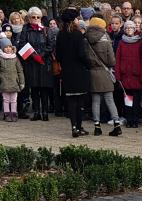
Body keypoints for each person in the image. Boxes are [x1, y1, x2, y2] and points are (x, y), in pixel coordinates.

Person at [56, 8, 91, 137]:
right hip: (79, 71)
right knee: (80, 101)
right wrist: (88, 64)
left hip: (67, 71)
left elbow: (58, 55)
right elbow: (81, 54)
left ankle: (74, 127)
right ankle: (79, 126)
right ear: (73, 20)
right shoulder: (77, 35)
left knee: (71, 101)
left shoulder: (61, 34)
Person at [86, 15, 123, 135]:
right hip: (105, 72)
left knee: (95, 100)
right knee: (109, 100)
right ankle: (117, 125)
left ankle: (97, 127)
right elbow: (112, 61)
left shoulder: (86, 39)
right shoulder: (106, 39)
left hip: (93, 72)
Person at [18, 6, 55, 121]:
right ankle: (37, 112)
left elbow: (51, 45)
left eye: (38, 17)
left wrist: (42, 55)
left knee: (44, 88)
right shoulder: (25, 29)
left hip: (44, 62)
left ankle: (45, 112)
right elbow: (22, 44)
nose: (35, 19)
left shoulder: (46, 30)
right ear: (29, 18)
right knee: (34, 88)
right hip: (31, 63)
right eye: (33, 17)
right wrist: (34, 56)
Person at [116, 19, 142, 127]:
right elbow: (118, 59)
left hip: (136, 76)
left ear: (135, 29)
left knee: (136, 101)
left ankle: (135, 120)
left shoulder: (140, 42)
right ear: (124, 30)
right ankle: (129, 120)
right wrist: (118, 75)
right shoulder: (121, 42)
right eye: (127, 28)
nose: (129, 29)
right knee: (127, 100)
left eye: (131, 28)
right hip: (125, 76)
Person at [0, 41, 25, 121]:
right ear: (2, 49)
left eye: (9, 47)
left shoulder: (15, 58)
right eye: (6, 47)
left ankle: (14, 114)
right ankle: (7, 114)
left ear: (12, 48)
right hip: (4, 82)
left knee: (14, 99)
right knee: (6, 99)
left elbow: (20, 71)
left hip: (14, 81)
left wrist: (22, 82)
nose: (8, 49)